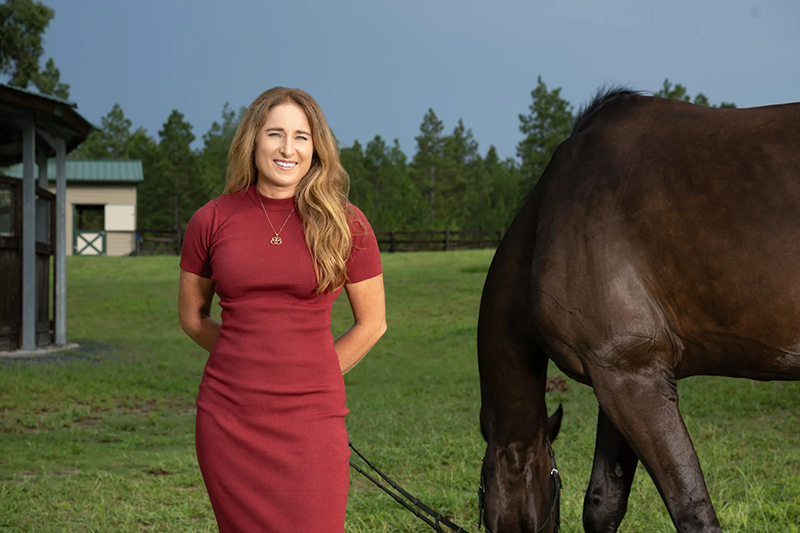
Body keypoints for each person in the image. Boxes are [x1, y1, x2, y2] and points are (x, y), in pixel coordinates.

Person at [178, 87, 386, 532]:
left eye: (301, 137)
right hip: (228, 420)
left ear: (317, 148)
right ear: (253, 141)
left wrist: (310, 370)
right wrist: (248, 358)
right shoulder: (210, 220)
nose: (287, 148)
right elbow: (192, 317)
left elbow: (373, 324)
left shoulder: (346, 223)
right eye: (275, 134)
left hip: (314, 419)